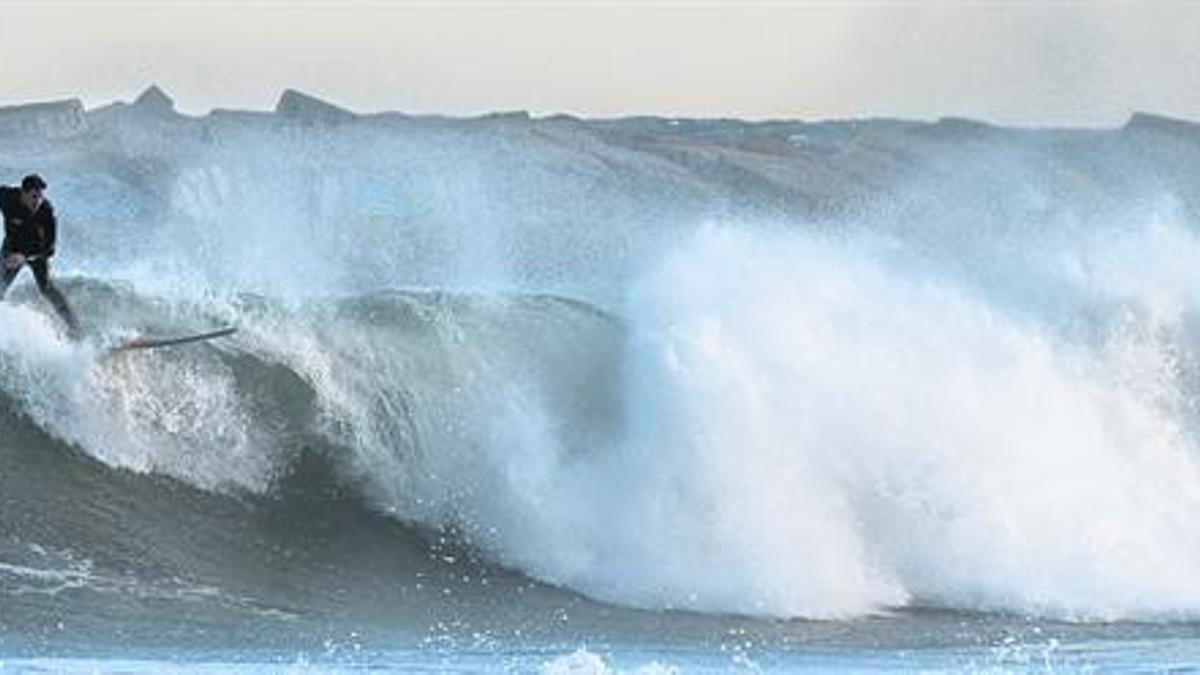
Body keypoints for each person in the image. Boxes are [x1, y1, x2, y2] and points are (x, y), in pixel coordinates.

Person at [0, 174, 80, 338]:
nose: (38, 201)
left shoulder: (46, 212)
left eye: (41, 197)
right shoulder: (7, 197)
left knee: (46, 288)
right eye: (34, 197)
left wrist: (25, 258)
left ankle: (75, 329)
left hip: (36, 252)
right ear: (23, 193)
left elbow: (50, 250)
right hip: (12, 247)